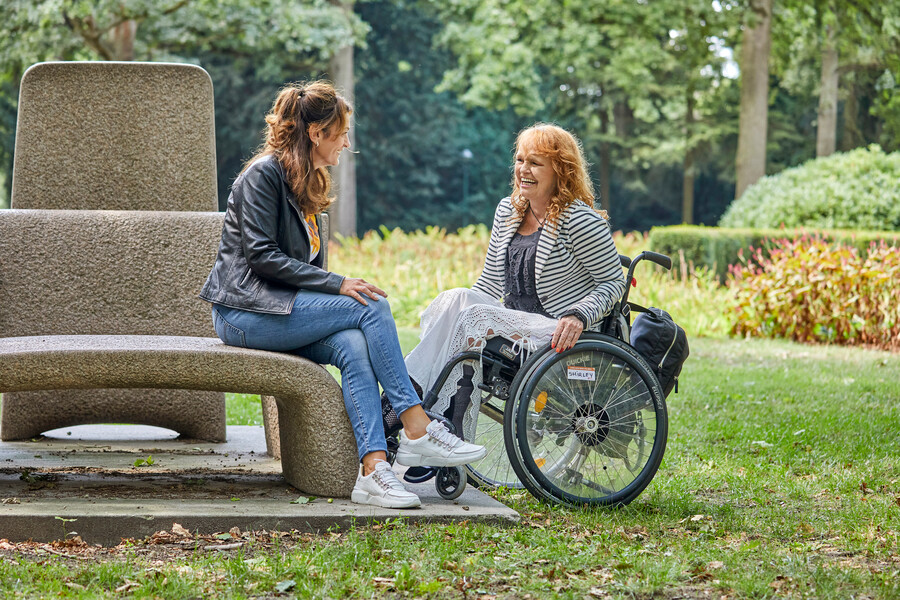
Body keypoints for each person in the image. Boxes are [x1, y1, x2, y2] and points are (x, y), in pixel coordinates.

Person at [199, 81, 485, 509]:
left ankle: (373, 471)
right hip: (242, 313)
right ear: (316, 133)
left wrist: (333, 286)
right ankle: (416, 424)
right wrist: (338, 284)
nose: (347, 143)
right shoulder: (263, 174)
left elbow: (303, 267)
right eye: (342, 134)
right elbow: (261, 257)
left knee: (353, 344)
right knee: (372, 305)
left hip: (279, 310)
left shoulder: (304, 182)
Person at [404, 123, 627, 441]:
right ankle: (413, 406)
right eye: (520, 160)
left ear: (560, 171)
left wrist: (579, 315)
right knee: (454, 300)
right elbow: (489, 284)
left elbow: (613, 282)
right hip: (516, 323)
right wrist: (457, 315)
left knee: (471, 314)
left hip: (556, 331)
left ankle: (413, 413)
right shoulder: (508, 211)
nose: (523, 169)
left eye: (535, 163)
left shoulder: (579, 220)